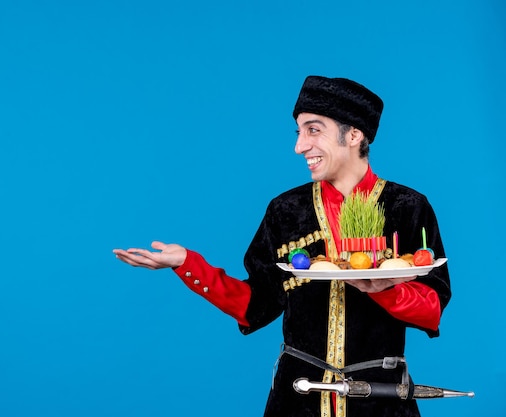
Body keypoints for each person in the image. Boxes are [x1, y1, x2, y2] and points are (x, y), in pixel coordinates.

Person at [113, 76, 451, 417]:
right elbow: (254, 304)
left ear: (353, 135)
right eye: (298, 132)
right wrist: (187, 263)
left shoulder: (406, 206)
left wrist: (381, 289)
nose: (299, 146)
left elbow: (432, 308)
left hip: (381, 399)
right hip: (297, 399)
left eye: (313, 130)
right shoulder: (286, 210)